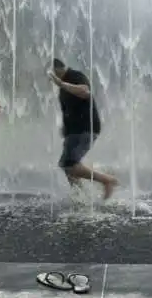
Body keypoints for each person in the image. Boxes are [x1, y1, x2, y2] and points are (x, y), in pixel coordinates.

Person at [49, 58, 118, 200]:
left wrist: (61, 83)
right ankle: (81, 197)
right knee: (66, 165)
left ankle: (107, 180)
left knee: (70, 165)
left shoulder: (75, 76)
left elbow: (85, 91)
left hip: (86, 128)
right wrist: (65, 127)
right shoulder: (64, 85)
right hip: (74, 131)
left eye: (52, 73)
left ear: (57, 70)